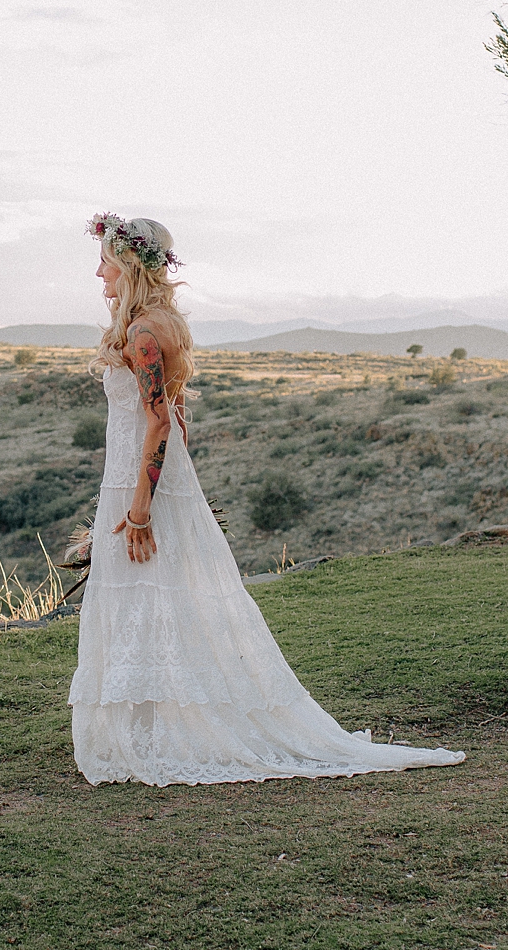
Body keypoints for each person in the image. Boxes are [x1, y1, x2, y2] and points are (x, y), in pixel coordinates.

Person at [68, 212, 466, 785]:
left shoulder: (143, 334)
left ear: (129, 264)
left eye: (105, 261)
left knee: (148, 595)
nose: (98, 272)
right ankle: (153, 727)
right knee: (160, 598)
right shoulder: (161, 323)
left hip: (141, 485)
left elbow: (158, 422)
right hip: (154, 478)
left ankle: (161, 733)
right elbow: (179, 417)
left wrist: (140, 511)